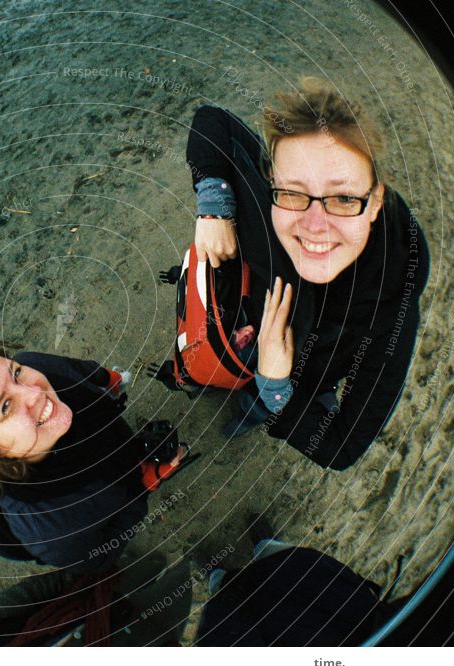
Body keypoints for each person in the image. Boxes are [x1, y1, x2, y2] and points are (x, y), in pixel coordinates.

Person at [183, 76, 429, 470]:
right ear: (272, 179)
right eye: (294, 192)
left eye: (345, 198)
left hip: (296, 377)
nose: (315, 225)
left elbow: (341, 449)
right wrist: (214, 208)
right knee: (209, 362)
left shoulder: (390, 312)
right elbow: (213, 121)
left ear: (376, 200)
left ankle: (249, 411)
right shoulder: (265, 197)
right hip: (246, 317)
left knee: (255, 407)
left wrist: (275, 386)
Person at [0, 305, 186, 574]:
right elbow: (100, 555)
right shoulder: (51, 531)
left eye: (15, 373)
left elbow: (82, 372)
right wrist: (141, 488)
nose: (35, 393)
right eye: (5, 407)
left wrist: (108, 380)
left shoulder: (35, 365)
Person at [194, 515, 391, 646]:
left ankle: (217, 576)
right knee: (294, 566)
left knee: (236, 600)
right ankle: (265, 547)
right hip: (356, 617)